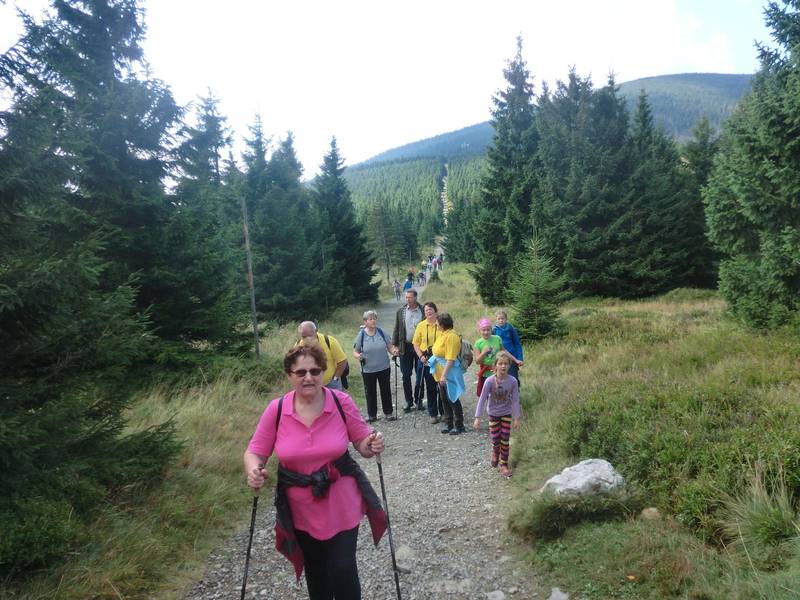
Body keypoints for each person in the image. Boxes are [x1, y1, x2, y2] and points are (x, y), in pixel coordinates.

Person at [243, 344, 387, 599]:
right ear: (289, 375)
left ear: (323, 372)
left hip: (342, 504)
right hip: (300, 510)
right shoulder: (277, 410)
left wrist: (371, 443)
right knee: (317, 572)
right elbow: (255, 452)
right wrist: (254, 470)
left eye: (315, 371)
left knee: (343, 568)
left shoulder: (341, 402)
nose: (308, 377)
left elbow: (362, 443)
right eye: (301, 372)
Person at [473, 351, 521, 478]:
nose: (503, 366)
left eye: (506, 364)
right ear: (495, 366)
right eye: (500, 363)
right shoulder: (489, 381)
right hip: (493, 414)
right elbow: (482, 399)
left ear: (509, 365)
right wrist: (477, 417)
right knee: (496, 439)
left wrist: (516, 418)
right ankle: (495, 451)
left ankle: (504, 464)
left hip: (506, 413)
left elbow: (515, 400)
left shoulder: (513, 381)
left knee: (505, 439)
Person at [353, 310, 398, 423]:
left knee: (386, 390)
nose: (373, 321)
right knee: (370, 392)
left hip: (384, 367)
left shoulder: (381, 332)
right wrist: (359, 356)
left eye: (374, 318)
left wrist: (394, 351)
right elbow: (355, 351)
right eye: (370, 319)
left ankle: (388, 413)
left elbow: (389, 346)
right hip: (368, 369)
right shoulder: (361, 335)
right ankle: (372, 415)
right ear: (365, 322)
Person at [427, 312, 466, 435]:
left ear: (442, 324)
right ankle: (449, 423)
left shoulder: (452, 337)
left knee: (452, 397)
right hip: (441, 370)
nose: (436, 324)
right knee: (444, 398)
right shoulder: (443, 334)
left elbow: (450, 359)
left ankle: (459, 425)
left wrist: (444, 375)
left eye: (437, 323)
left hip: (450, 371)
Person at [392, 289, 424, 412]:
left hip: (420, 347)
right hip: (405, 346)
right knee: (406, 375)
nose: (407, 299)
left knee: (420, 374)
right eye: (406, 297)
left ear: (415, 298)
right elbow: (396, 329)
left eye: (409, 297)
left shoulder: (423, 310)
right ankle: (408, 401)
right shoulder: (401, 311)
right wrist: (395, 346)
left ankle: (419, 400)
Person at [297, 321, 348, 390]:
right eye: (304, 337)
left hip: (331, 383)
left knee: (334, 397)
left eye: (310, 336)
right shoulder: (298, 346)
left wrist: (335, 378)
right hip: (311, 385)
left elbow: (342, 361)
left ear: (316, 331)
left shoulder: (329, 341)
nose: (307, 339)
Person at [412, 301, 441, 424]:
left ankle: (444, 412)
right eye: (426, 310)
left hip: (440, 359)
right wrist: (420, 356)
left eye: (430, 309)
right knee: (430, 387)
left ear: (435, 311)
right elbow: (416, 343)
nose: (428, 312)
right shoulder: (421, 325)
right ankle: (433, 413)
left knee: (442, 386)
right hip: (426, 360)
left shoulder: (441, 324)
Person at [473, 317, 503, 396]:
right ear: (480, 330)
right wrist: (483, 353)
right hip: (486, 373)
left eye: (488, 330)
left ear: (491, 329)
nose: (486, 332)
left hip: (498, 371)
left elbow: (503, 352)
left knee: (499, 393)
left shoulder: (497, 338)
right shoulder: (478, 343)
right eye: (483, 330)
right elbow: (477, 361)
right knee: (487, 395)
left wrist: (514, 359)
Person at [493, 311, 524, 386]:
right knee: (500, 377)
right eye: (499, 318)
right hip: (499, 357)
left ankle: (516, 391)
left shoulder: (511, 329)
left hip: (512, 357)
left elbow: (517, 344)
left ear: (506, 319)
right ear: (496, 319)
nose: (501, 320)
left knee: (513, 377)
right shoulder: (494, 330)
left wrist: (520, 358)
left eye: (503, 318)